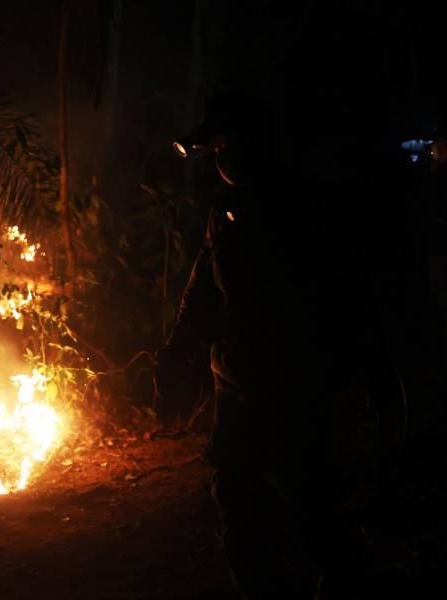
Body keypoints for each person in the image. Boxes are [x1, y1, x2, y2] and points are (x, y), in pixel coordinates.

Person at [158, 92, 371, 598]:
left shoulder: (305, 210)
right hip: (236, 381)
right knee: (239, 498)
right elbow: (203, 293)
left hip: (294, 383)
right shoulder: (226, 210)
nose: (222, 158)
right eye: (218, 148)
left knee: (310, 500)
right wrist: (175, 360)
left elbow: (341, 298)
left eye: (228, 145)